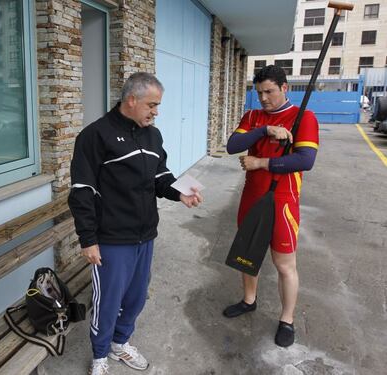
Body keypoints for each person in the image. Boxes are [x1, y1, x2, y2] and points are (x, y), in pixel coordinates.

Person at [68, 72, 203, 375]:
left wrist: (180, 192)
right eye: (151, 105)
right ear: (131, 100)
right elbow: (81, 191)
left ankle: (120, 343)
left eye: (158, 106)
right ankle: (100, 356)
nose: (156, 112)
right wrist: (88, 239)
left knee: (136, 296)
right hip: (111, 238)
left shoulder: (152, 135)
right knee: (108, 300)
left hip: (145, 235)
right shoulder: (95, 135)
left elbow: (160, 176)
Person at [223, 65, 319, 347]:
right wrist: (265, 130)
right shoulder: (253, 116)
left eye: (270, 91)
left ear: (285, 88)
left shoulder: (303, 118)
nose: (264, 98)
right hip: (252, 196)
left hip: (283, 200)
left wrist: (261, 163)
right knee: (248, 254)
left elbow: (305, 161)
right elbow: (233, 145)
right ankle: (249, 300)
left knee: (284, 264)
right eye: (259, 92)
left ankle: (286, 320)